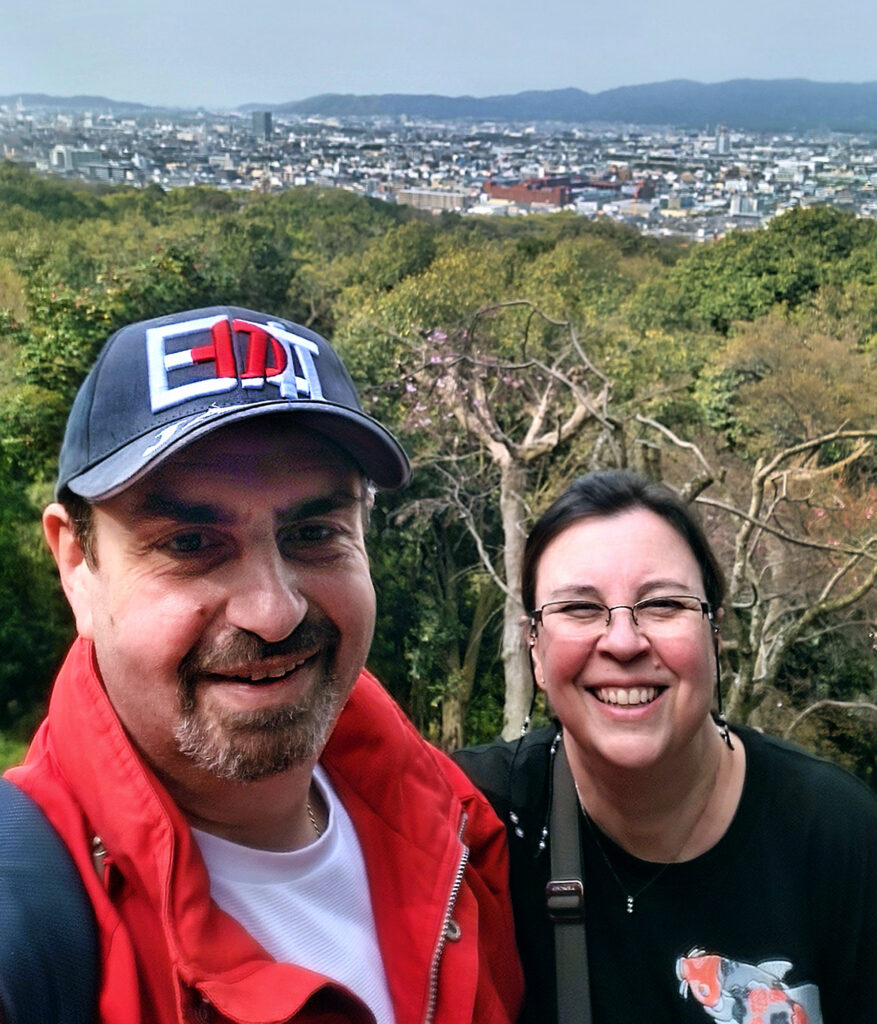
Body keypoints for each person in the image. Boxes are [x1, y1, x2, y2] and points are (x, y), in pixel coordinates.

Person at [4, 307, 522, 1024]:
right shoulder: (29, 920)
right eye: (189, 543)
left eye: (313, 534)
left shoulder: (456, 826)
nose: (272, 612)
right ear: (76, 568)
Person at [455, 469, 877, 1024]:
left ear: (714, 634)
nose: (624, 642)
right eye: (579, 608)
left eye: (663, 605)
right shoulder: (479, 822)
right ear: (534, 647)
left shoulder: (835, 832)